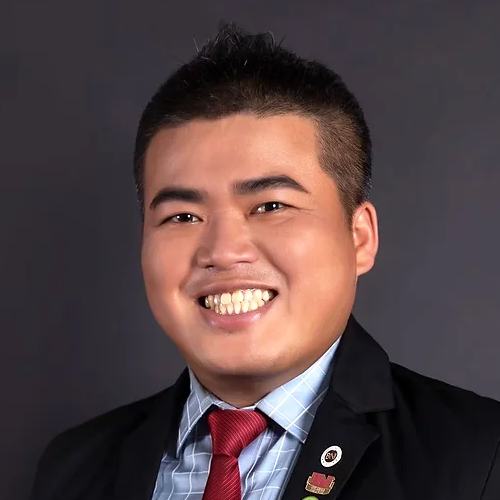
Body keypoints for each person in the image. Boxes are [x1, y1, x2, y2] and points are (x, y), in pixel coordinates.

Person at [30, 24, 500, 500]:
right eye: (183, 216)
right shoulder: (74, 468)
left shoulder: (479, 457)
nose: (222, 251)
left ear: (359, 238)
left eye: (270, 206)